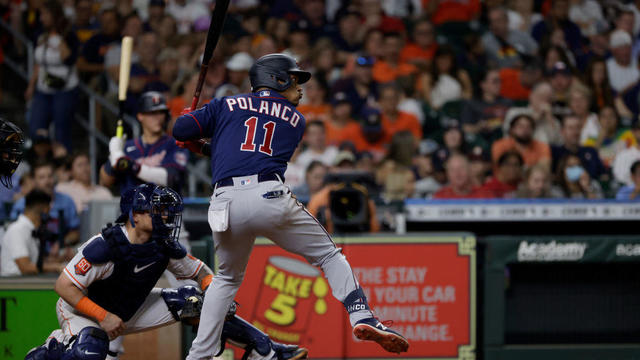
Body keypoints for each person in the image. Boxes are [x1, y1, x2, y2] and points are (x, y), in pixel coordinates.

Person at [173, 53, 409, 359]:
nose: (299, 88)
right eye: (295, 79)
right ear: (277, 79)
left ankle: (199, 355)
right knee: (328, 255)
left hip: (225, 204)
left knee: (226, 279)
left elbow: (184, 131)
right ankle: (362, 315)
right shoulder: (295, 119)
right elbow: (251, 146)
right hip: (267, 196)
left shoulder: (226, 103)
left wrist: (193, 126)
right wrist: (205, 143)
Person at [24, 184, 308, 360]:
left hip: (126, 311)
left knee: (195, 301)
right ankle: (50, 351)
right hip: (84, 312)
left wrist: (213, 292)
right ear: (135, 215)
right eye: (156, 211)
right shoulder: (104, 246)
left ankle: (265, 349)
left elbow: (200, 272)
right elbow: (64, 287)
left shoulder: (162, 244)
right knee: (90, 352)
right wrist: (103, 316)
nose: (164, 216)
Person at [100, 91, 189, 194]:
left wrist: (130, 165)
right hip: (132, 208)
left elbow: (172, 179)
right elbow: (105, 181)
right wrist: (114, 155)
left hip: (163, 208)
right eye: (152, 113)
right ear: (140, 116)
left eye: (161, 112)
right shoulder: (127, 147)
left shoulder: (175, 144)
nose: (157, 118)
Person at [24, 0, 80, 152]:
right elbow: (38, 63)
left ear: (54, 15)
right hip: (43, 88)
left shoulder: (68, 34)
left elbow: (69, 59)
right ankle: (43, 163)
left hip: (65, 88)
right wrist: (31, 86)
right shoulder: (40, 34)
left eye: (44, 14)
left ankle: (63, 164)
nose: (41, 18)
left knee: (61, 131)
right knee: (37, 128)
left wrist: (58, 39)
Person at [11, 160, 80, 247]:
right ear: (34, 181)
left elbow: (75, 232)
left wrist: (61, 243)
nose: (47, 181)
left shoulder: (67, 201)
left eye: (50, 176)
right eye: (41, 177)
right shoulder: (22, 204)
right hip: (31, 253)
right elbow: (15, 233)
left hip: (60, 254)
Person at [0, 189, 64, 276]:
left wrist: (60, 260)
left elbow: (35, 262)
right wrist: (56, 267)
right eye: (49, 209)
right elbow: (26, 267)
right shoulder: (17, 230)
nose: (49, 215)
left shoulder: (31, 230)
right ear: (44, 209)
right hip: (14, 286)